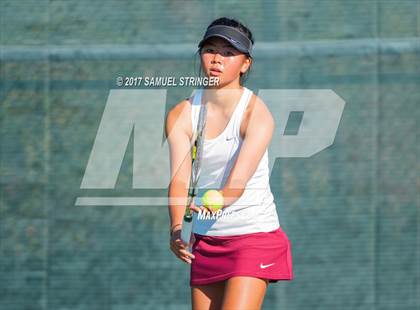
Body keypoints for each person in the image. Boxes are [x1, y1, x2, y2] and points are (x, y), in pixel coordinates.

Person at [165, 17, 293, 310]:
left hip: (253, 236)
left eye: (228, 52)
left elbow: (237, 183)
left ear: (245, 64)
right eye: (210, 49)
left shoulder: (256, 115)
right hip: (206, 242)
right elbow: (180, 180)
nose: (217, 59)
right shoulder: (180, 115)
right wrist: (176, 228)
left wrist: (219, 200)